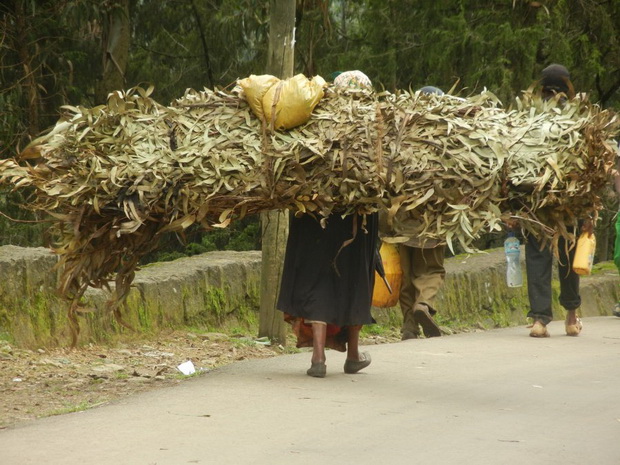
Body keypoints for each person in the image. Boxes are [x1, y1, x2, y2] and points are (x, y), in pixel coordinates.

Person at [277, 70, 377, 378]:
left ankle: (318, 358)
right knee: (355, 279)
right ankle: (354, 354)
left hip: (312, 215)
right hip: (356, 219)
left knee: (317, 279)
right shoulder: (375, 127)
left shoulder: (310, 122)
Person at [522, 64, 584, 337]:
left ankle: (539, 320)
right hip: (571, 201)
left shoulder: (529, 117)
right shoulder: (578, 117)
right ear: (567, 86)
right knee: (569, 257)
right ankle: (571, 317)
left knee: (537, 255)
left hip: (537, 200)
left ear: (542, 86)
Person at [395, 85, 446, 340]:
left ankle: (408, 326)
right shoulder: (445, 136)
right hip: (432, 217)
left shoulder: (400, 133)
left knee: (406, 273)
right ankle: (423, 304)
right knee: (431, 269)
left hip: (400, 217)